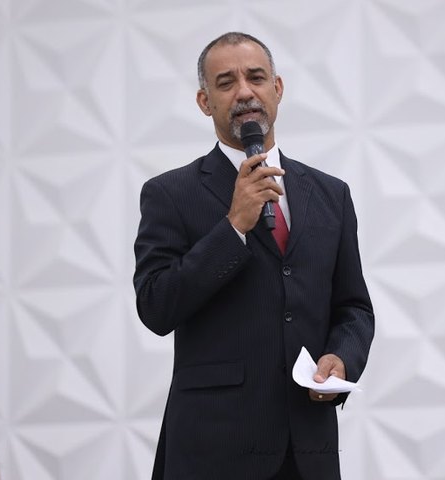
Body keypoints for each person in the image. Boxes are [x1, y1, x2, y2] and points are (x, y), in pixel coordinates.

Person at [133, 31, 374, 480]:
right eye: (226, 83)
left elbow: (354, 307)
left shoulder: (330, 194)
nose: (244, 91)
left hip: (308, 448)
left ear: (277, 89)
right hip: (213, 451)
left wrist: (342, 358)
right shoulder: (170, 194)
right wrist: (232, 228)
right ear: (205, 102)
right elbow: (155, 306)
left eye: (256, 77)